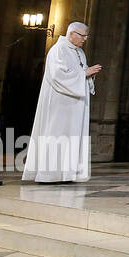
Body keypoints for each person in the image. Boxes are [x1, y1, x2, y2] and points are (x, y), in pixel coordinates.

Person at [21, 22, 99, 183]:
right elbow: (58, 75)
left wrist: (89, 75)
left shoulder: (80, 53)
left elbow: (80, 73)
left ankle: (67, 174)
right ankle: (49, 174)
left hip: (75, 105)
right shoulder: (58, 51)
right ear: (71, 34)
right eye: (82, 36)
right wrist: (84, 73)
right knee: (57, 134)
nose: (85, 39)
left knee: (72, 136)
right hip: (60, 104)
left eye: (86, 36)